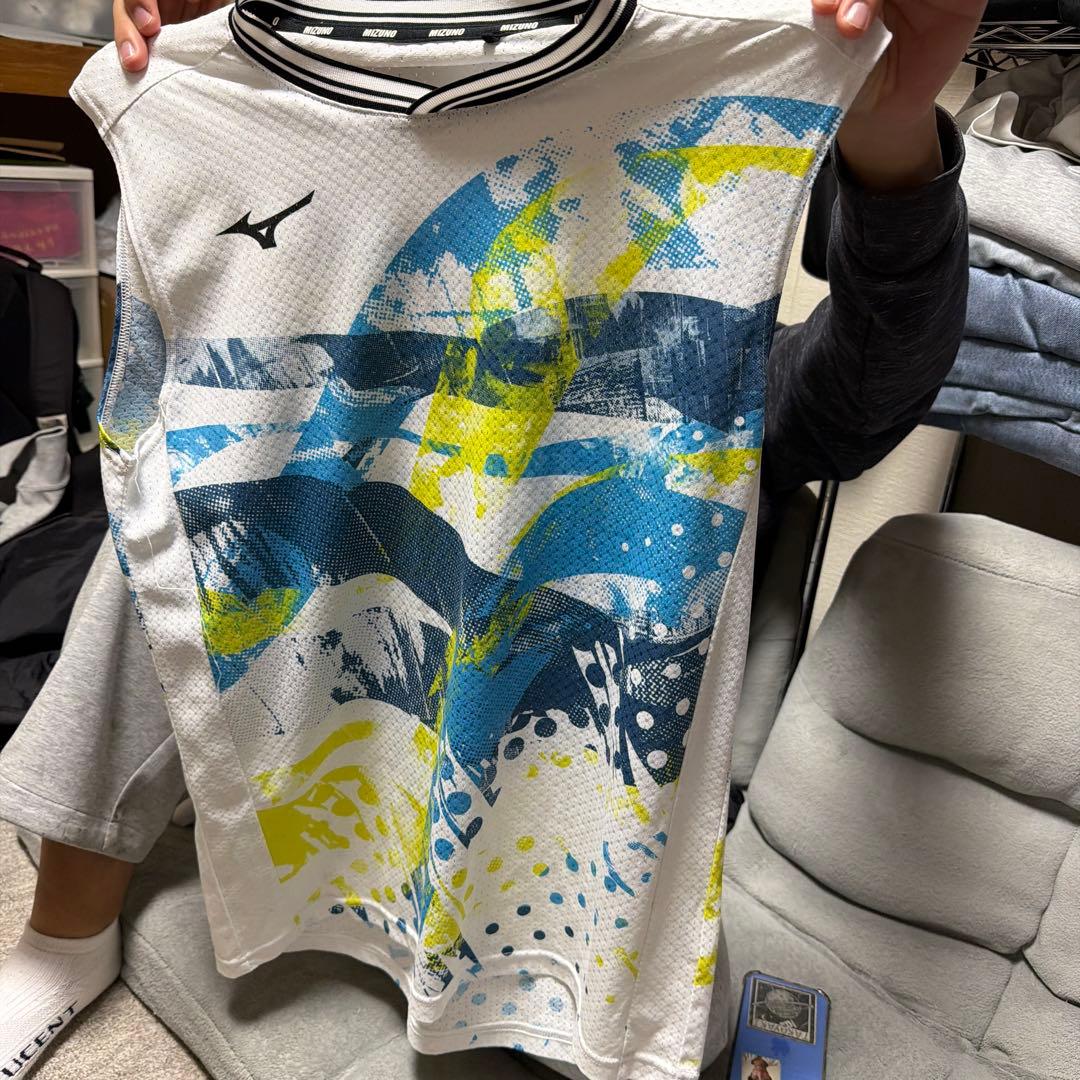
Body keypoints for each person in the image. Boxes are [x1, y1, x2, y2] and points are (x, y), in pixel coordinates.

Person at [0, 0, 983, 1075]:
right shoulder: (272, 181)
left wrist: (894, 130)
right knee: (177, 518)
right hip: (336, 707)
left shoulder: (685, 319)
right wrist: (204, 57)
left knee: (652, 1036)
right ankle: (66, 924)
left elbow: (859, 390)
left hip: (577, 798)